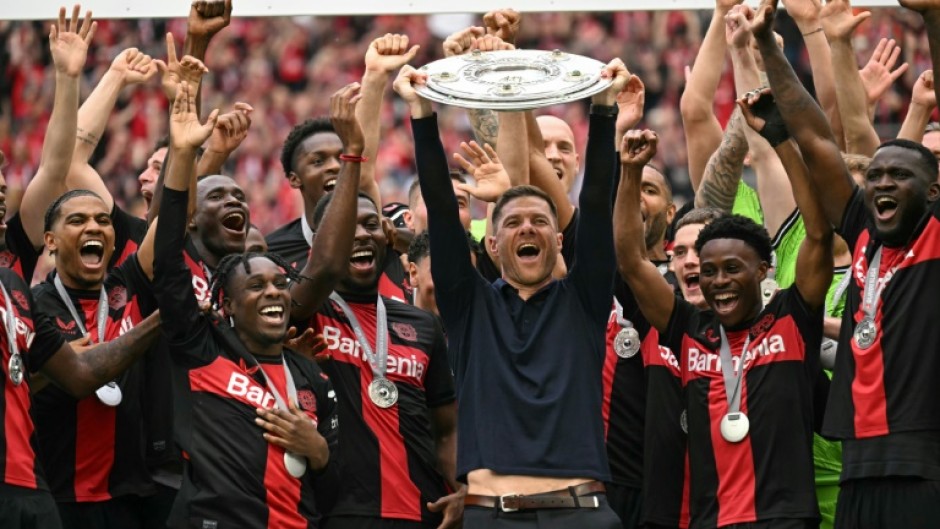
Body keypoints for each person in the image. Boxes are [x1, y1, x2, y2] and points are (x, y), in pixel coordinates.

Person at [398, 55, 627, 527]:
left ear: (559, 239)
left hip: (581, 513)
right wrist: (422, 113)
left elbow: (598, 199)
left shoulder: (584, 301)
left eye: (540, 221)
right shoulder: (468, 306)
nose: (529, 228)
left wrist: (604, 110)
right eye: (515, 222)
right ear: (493, 241)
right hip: (492, 515)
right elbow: (442, 211)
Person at [752, 0, 940, 526]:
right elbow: (815, 138)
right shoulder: (861, 234)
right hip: (858, 463)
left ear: (934, 191)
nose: (881, 182)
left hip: (922, 466)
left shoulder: (935, 236)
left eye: (898, 176)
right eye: (875, 175)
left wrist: (933, 20)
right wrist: (770, 45)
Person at [152, 80, 351, 528]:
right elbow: (167, 262)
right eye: (256, 287)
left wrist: (318, 451)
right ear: (227, 304)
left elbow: (335, 489)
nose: (274, 293)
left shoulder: (310, 377)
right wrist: (184, 156)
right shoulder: (201, 351)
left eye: (280, 284)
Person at [616, 119, 832, 529]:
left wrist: (782, 140)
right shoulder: (687, 327)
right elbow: (630, 261)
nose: (717, 281)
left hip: (786, 520)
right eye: (709, 270)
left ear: (763, 270)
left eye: (732, 269)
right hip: (710, 521)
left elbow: (818, 235)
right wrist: (628, 172)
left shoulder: (791, 317)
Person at [291, 170, 462, 527]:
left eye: (371, 225)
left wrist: (465, 489)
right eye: (345, 228)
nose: (360, 235)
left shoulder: (421, 324)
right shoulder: (304, 313)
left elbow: (446, 430)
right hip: (337, 515)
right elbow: (318, 272)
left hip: (424, 513)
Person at [30, 188, 160, 528]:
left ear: (113, 241)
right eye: (77, 220)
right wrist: (56, 366)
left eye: (103, 220)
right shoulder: (30, 307)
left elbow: (168, 224)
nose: (93, 226)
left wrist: (189, 153)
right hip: (56, 499)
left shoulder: (129, 285)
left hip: (131, 500)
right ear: (51, 240)